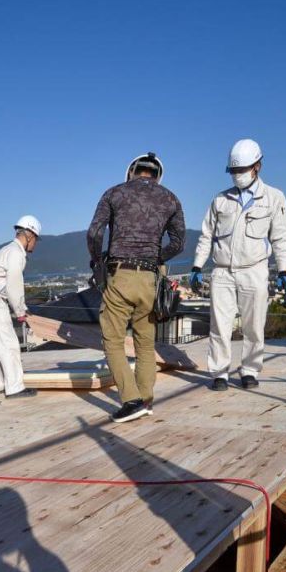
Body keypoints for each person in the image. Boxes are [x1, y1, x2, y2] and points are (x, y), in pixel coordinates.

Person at [88, 152, 186, 422]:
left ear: (131, 170)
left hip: (120, 275)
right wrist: (156, 257)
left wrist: (98, 262)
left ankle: (131, 401)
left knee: (113, 340)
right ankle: (145, 399)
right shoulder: (171, 198)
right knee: (145, 343)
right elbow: (179, 243)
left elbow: (95, 233)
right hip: (150, 280)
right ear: (157, 175)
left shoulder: (114, 193)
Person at [190, 139, 286, 391]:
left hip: (254, 269)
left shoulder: (273, 198)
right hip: (222, 270)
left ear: (257, 166)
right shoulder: (220, 200)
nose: (237, 176)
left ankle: (249, 370)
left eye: (241, 170)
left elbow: (281, 236)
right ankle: (219, 373)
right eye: (233, 171)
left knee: (254, 325)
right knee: (219, 325)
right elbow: (207, 235)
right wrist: (196, 266)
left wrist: (284, 269)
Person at [0, 217, 41, 399]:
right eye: (35, 239)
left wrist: (21, 307)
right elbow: (14, 284)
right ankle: (14, 387)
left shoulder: (8, 250)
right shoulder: (16, 253)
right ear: (29, 235)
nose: (35, 244)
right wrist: (21, 311)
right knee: (9, 344)